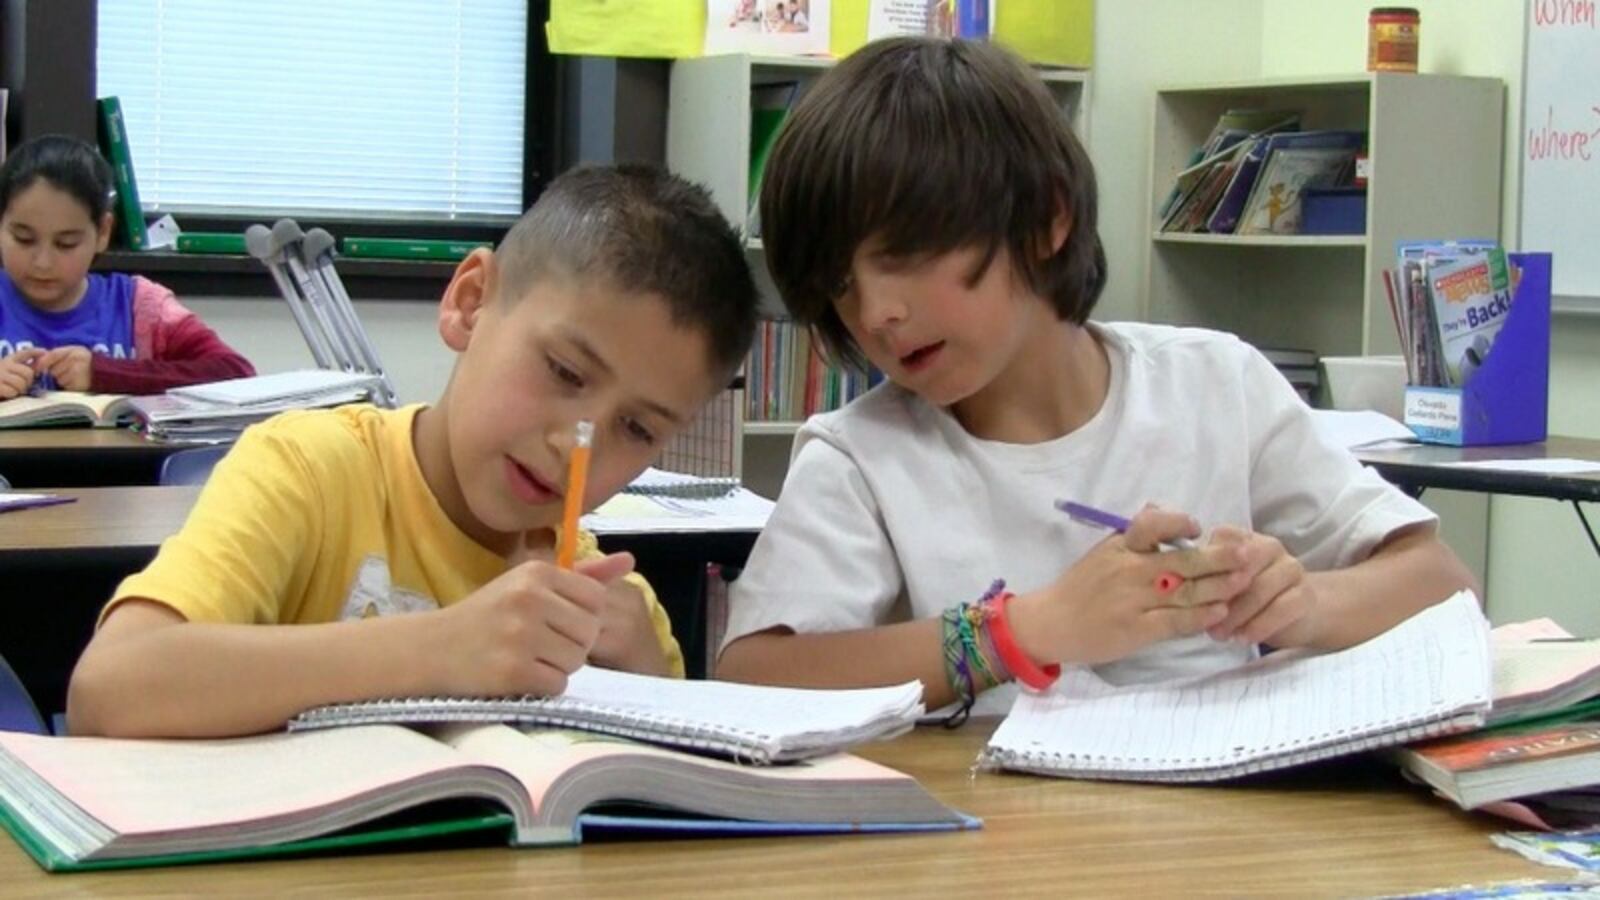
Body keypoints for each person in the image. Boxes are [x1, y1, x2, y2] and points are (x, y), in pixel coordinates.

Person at [716, 37, 1476, 717]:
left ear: (1048, 219)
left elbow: (1441, 581)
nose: (877, 312)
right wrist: (1024, 631)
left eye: (906, 255)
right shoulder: (862, 457)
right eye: (841, 287)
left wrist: (1304, 602)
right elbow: (754, 676)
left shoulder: (1215, 387)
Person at [68, 164, 760, 737]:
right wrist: (442, 646)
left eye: (637, 429)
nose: (574, 444)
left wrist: (645, 683)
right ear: (469, 301)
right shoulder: (310, 470)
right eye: (565, 373)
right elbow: (111, 689)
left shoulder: (609, 599)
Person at [0, 135, 254, 399]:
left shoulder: (141, 306)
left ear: (102, 232)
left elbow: (237, 373)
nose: (43, 262)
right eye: (24, 239)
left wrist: (106, 374)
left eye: (66, 243)